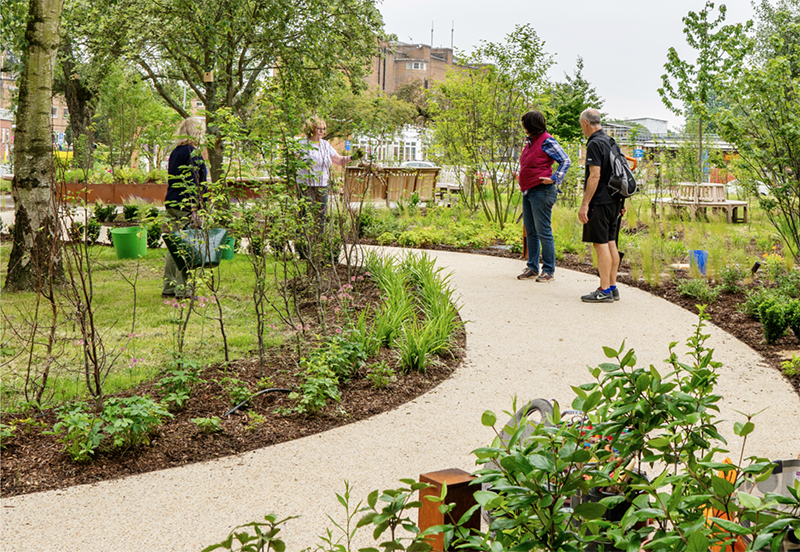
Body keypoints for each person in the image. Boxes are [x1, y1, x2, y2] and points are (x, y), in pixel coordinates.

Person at [517, 110, 571, 282]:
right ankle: (532, 267)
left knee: (543, 231)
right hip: (529, 190)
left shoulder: (547, 140)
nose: (523, 126)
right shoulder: (530, 142)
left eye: (525, 123)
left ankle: (548, 270)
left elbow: (565, 160)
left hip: (542, 191)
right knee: (530, 231)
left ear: (531, 124)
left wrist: (554, 179)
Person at [577, 108, 622, 303]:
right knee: (611, 242)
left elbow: (595, 176)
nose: (582, 129)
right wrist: (621, 201)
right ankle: (612, 286)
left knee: (600, 244)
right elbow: (620, 173)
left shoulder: (594, 143)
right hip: (614, 201)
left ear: (586, 123)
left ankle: (603, 290)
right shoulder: (611, 141)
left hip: (600, 201)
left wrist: (585, 204)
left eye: (581, 126)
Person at [162, 117, 207, 299]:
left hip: (172, 202)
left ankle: (169, 286)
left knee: (174, 247)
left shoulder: (175, 152)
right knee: (185, 247)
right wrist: (195, 208)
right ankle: (183, 289)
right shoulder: (192, 153)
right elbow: (193, 182)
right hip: (185, 205)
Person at [297, 116, 352, 234]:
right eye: (319, 128)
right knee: (304, 215)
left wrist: (353, 157)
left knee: (321, 216)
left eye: (323, 128)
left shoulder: (325, 145)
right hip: (305, 185)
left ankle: (318, 242)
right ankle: (303, 243)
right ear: (311, 129)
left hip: (322, 185)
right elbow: (292, 163)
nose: (322, 131)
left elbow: (339, 160)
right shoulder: (302, 144)